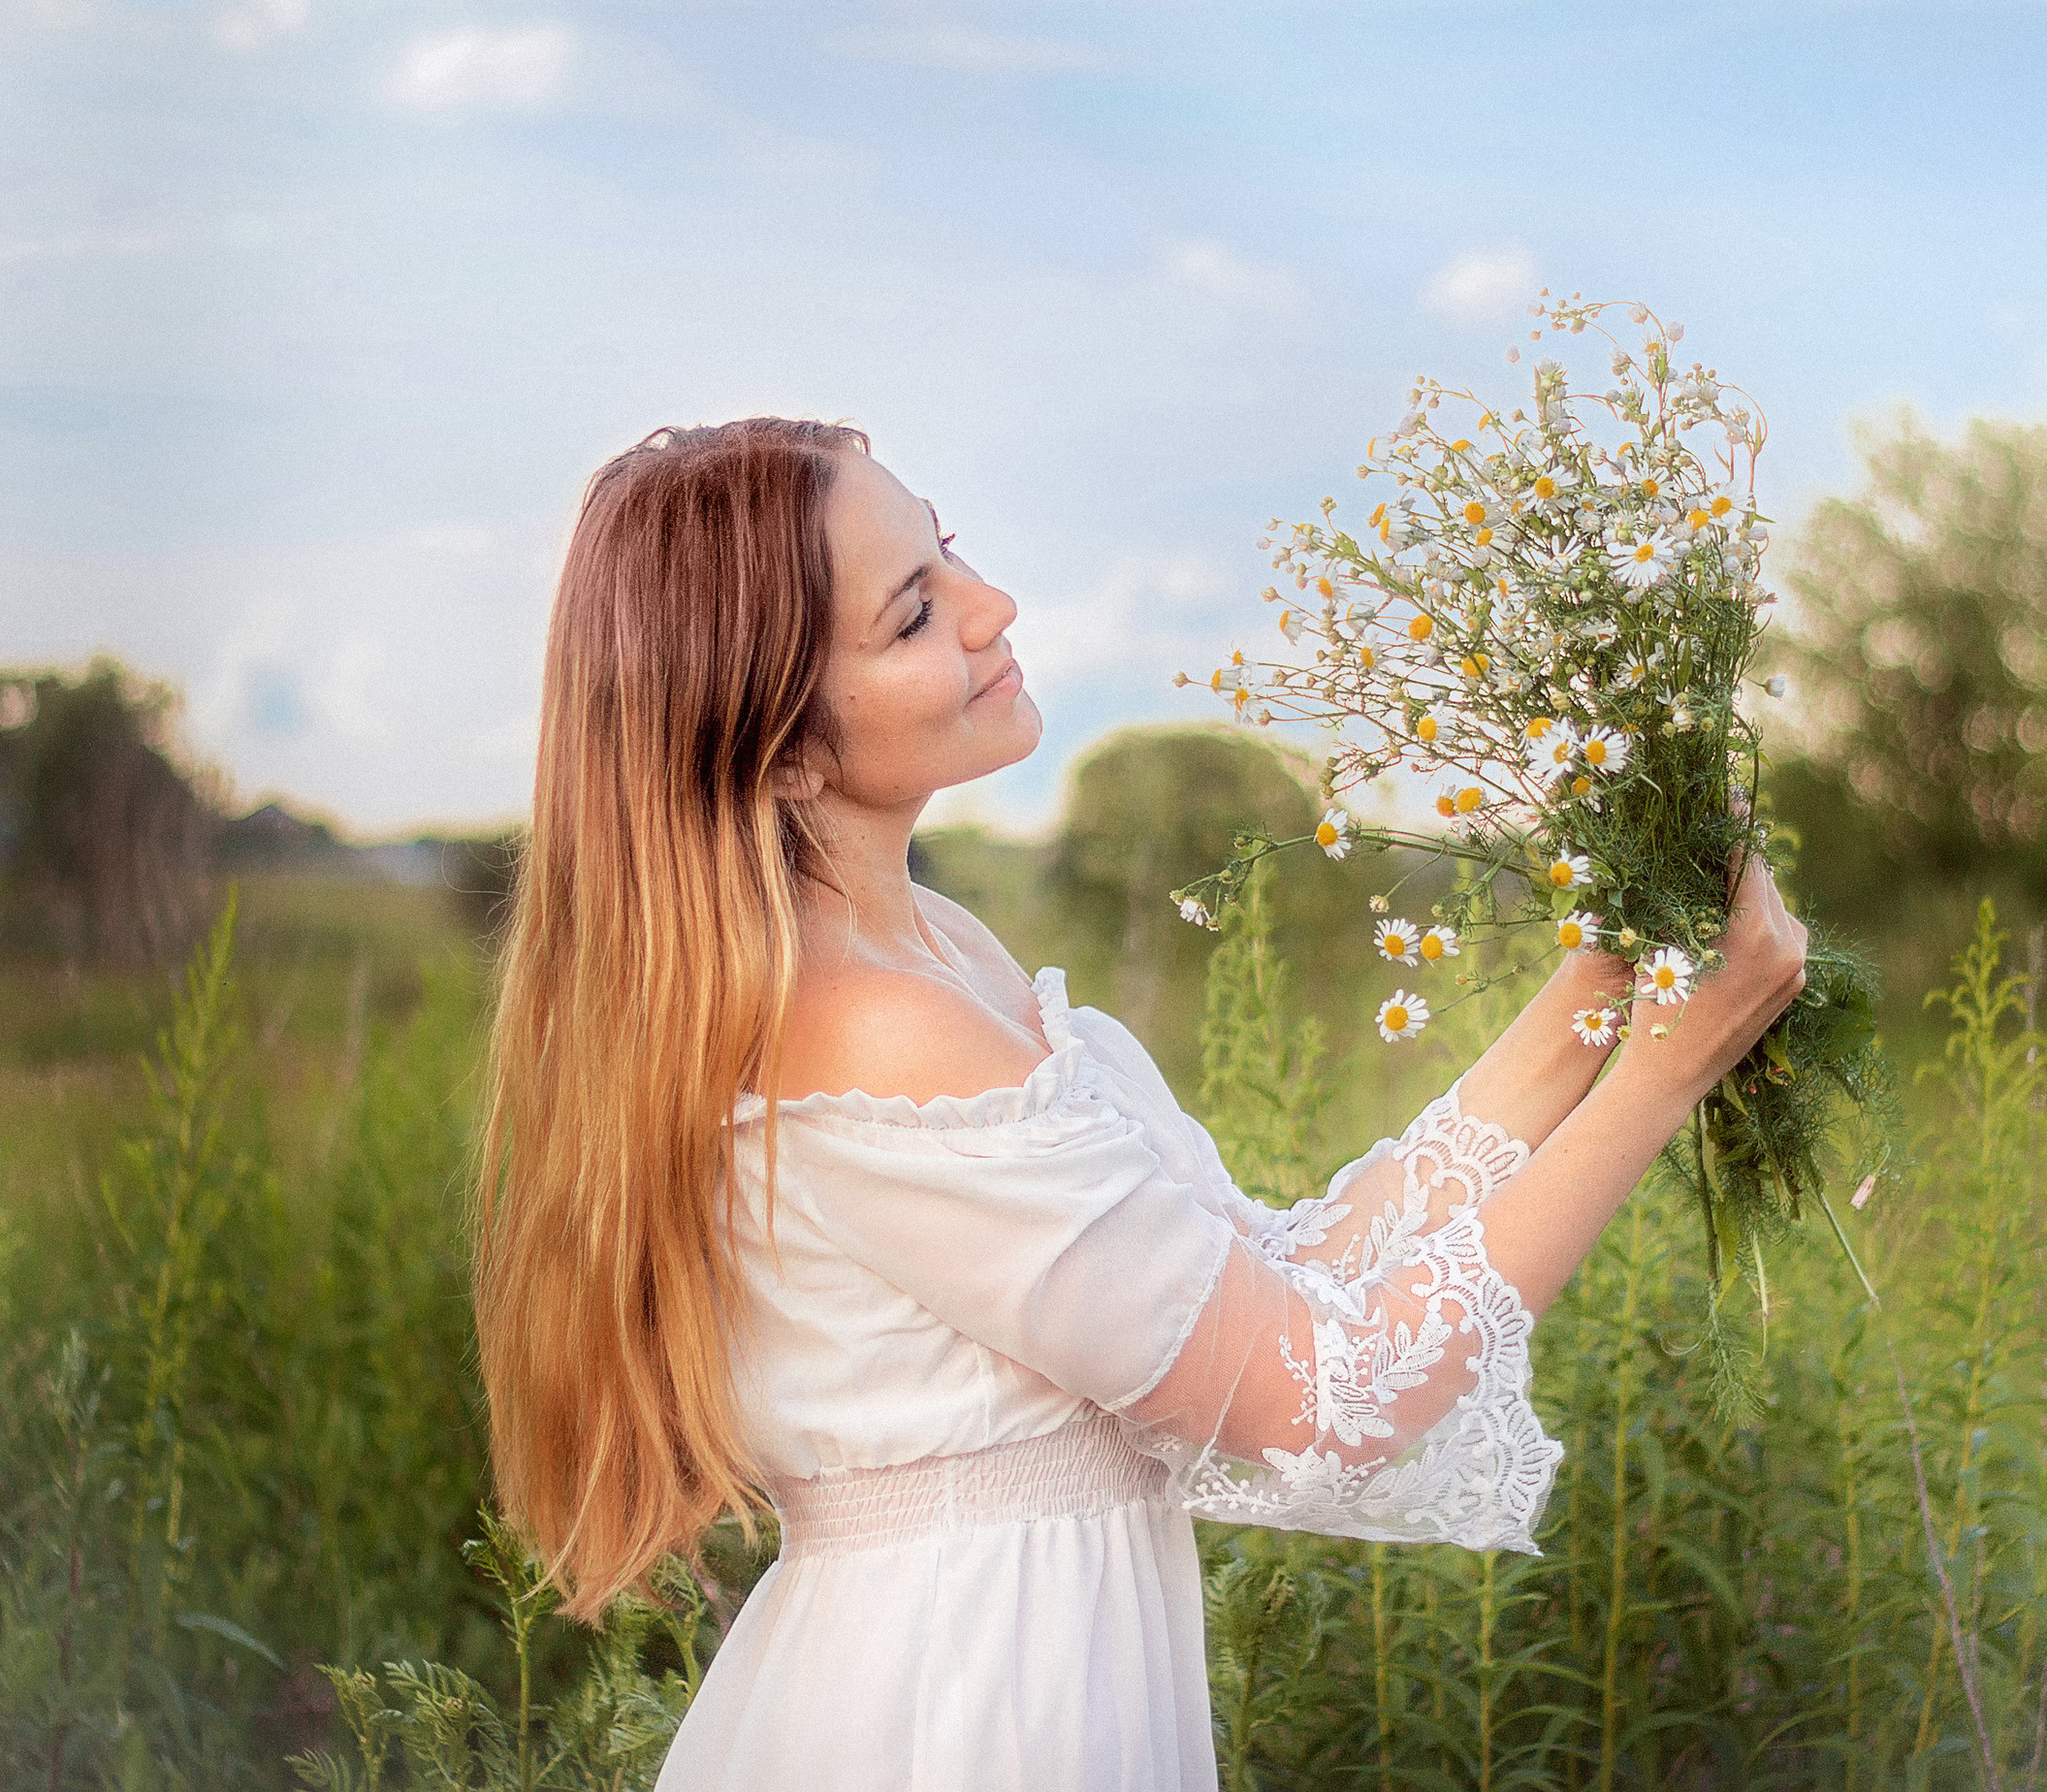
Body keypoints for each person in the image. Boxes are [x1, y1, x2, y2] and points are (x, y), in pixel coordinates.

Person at [472, 417, 1808, 1790]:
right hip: (968, 1708)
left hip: (1024, 1665)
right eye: (916, 611)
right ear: (787, 752)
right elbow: (1321, 1398)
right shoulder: (875, 1022)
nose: (992, 607)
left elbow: (1270, 1284)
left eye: (948, 546)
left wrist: (1599, 991)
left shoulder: (933, 948)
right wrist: (1669, 1067)